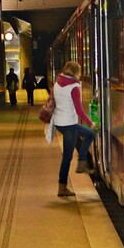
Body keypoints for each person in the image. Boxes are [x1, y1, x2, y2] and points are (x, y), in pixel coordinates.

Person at [51, 61, 94, 198]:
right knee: (67, 157)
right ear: (76, 72)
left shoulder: (58, 82)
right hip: (69, 124)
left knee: (88, 134)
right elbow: (79, 110)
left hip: (60, 122)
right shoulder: (74, 87)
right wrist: (90, 122)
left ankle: (82, 162)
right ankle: (62, 187)